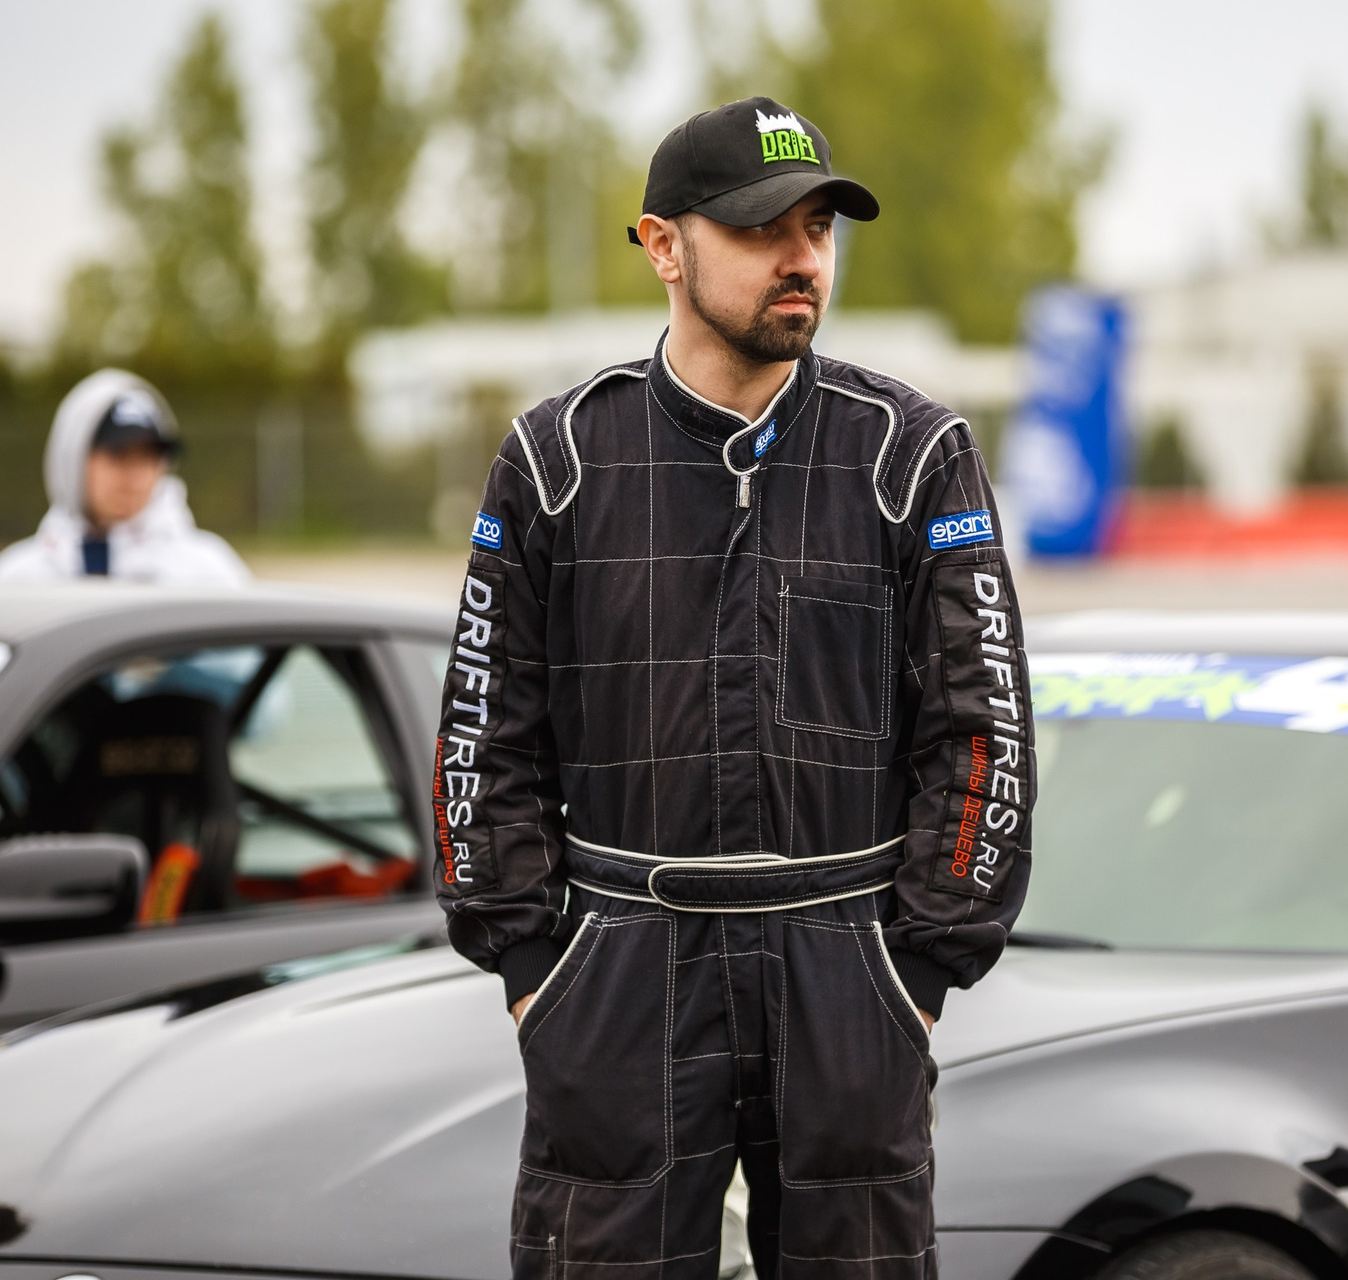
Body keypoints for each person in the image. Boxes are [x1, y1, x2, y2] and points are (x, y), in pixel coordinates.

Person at [433, 97, 1033, 1280]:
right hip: (618, 964)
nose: (802, 257)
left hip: (847, 963)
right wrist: (535, 972)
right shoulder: (557, 459)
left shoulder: (912, 452)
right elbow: (482, 737)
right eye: (764, 228)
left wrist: (915, 972)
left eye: (818, 227)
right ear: (664, 245)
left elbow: (983, 732)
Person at [0, 369, 250, 585]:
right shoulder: (19, 578)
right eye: (119, 454)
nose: (136, 474)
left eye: (149, 457)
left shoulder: (209, 573)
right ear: (73, 460)